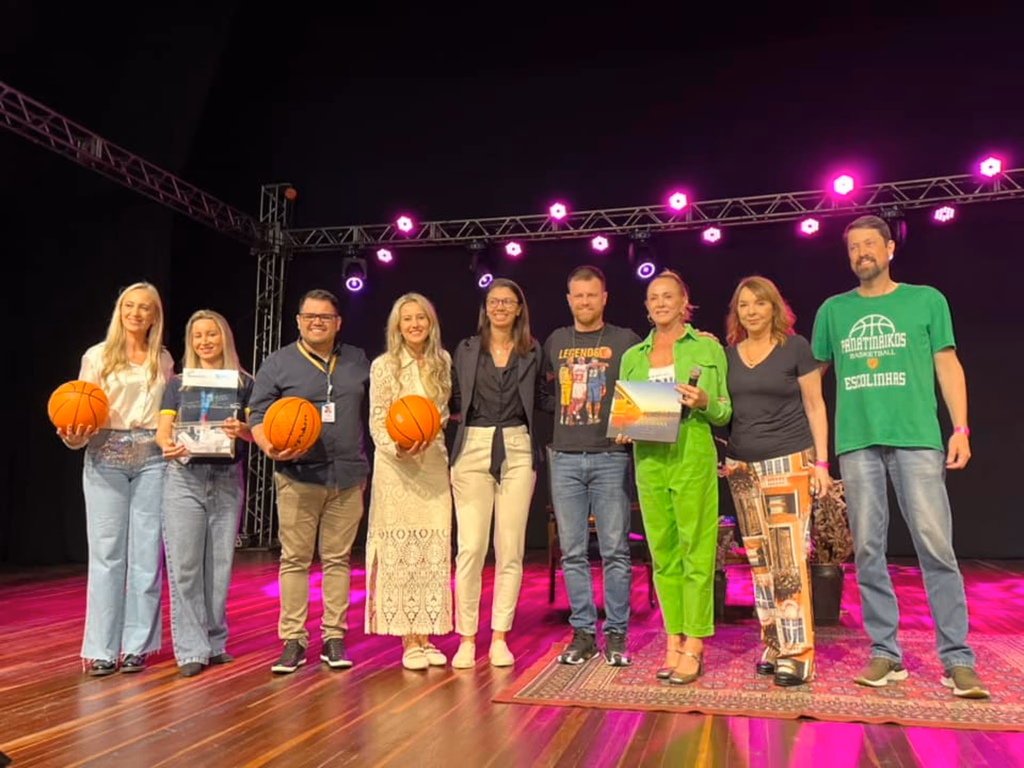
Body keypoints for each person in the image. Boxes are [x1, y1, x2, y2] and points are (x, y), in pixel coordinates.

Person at [811, 214, 988, 699]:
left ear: (890, 249)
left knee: (936, 547)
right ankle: (885, 653)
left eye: (871, 244)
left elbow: (947, 364)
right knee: (868, 549)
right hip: (857, 442)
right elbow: (810, 376)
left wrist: (961, 428)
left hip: (917, 438)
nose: (862, 253)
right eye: (854, 247)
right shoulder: (833, 310)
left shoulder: (926, 300)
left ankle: (957, 659)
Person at [616, 270, 731, 685]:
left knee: (696, 549)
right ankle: (673, 639)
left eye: (669, 296)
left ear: (684, 303)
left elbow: (724, 410)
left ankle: (695, 643)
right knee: (663, 553)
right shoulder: (633, 356)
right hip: (649, 459)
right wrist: (625, 427)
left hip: (692, 453)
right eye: (654, 297)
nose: (661, 303)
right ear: (647, 307)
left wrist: (704, 401)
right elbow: (627, 414)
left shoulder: (706, 348)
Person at [248, 289, 370, 674]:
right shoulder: (278, 363)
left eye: (325, 316)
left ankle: (334, 637)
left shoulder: (357, 360)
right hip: (297, 475)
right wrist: (268, 445)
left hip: (347, 475)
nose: (317, 322)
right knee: (295, 560)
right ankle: (293, 640)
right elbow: (256, 414)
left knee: (337, 560)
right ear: (298, 321)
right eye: (310, 316)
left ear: (338, 322)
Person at [57, 282, 175, 676]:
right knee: (107, 555)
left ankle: (137, 646)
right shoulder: (97, 356)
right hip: (105, 454)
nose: (136, 313)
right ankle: (102, 649)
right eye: (129, 306)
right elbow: (81, 411)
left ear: (155, 316)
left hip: (152, 458)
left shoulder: (163, 359)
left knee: (146, 555)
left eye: (144, 307)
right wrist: (74, 437)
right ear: (119, 310)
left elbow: (170, 413)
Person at [721, 276, 831, 687]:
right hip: (741, 468)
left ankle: (798, 654)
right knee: (759, 562)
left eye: (759, 303)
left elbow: (815, 406)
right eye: (743, 305)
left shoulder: (795, 348)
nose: (751, 311)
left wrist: (822, 462)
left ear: (774, 308)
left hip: (788, 461)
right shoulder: (728, 356)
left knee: (787, 560)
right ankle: (774, 642)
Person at [540, 265, 641, 666]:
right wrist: (564, 410)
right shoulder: (556, 341)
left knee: (615, 550)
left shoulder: (625, 341)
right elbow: (541, 391)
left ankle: (616, 633)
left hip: (610, 456)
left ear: (604, 298)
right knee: (573, 552)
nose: (585, 301)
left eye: (591, 295)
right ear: (569, 300)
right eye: (578, 295)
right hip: (564, 457)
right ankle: (583, 633)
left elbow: (653, 374)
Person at [449, 278, 546, 669]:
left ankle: (500, 637)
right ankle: (466, 638)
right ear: (485, 307)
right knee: (471, 548)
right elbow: (453, 397)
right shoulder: (466, 349)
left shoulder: (533, 350)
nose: (500, 307)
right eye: (494, 301)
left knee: (510, 548)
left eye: (508, 301)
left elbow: (544, 398)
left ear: (519, 308)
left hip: (517, 446)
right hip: (473, 444)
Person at [157, 310, 254, 678]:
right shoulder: (178, 384)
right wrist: (167, 445)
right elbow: (163, 430)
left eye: (211, 334)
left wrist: (241, 429)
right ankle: (191, 649)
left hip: (226, 478)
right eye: (197, 335)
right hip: (184, 477)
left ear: (224, 337)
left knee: (219, 567)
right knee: (185, 567)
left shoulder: (244, 383)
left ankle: (214, 643)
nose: (204, 341)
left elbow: (253, 433)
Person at [365, 293, 454, 670]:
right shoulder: (384, 365)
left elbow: (442, 414)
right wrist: (399, 447)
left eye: (421, 318)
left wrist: (427, 435)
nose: (415, 324)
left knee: (432, 549)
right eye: (407, 319)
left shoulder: (442, 361)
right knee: (401, 555)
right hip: (396, 468)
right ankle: (408, 640)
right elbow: (377, 420)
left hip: (432, 461)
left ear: (430, 323)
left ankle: (427, 634)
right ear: (397, 327)